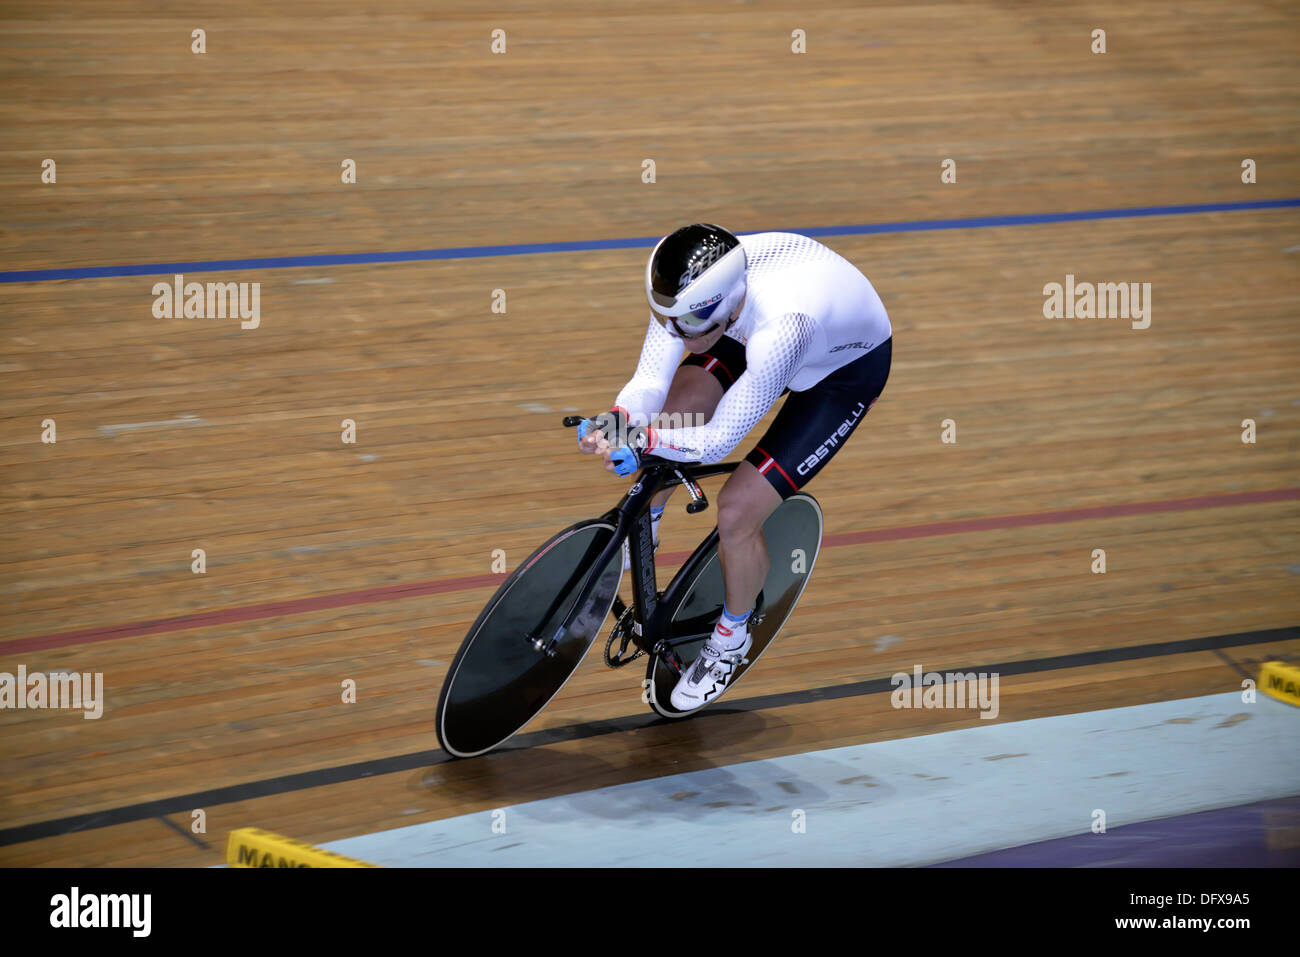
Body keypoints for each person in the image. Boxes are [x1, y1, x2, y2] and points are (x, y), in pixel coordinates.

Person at [578, 223, 892, 711]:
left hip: (841, 374)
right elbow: (649, 381)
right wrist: (622, 420)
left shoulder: (785, 327)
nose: (673, 333)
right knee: (679, 405)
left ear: (721, 305)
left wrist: (649, 440)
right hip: (751, 325)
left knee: (738, 510)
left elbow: (719, 439)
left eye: (685, 325)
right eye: (667, 319)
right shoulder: (693, 294)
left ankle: (732, 636)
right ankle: (649, 525)